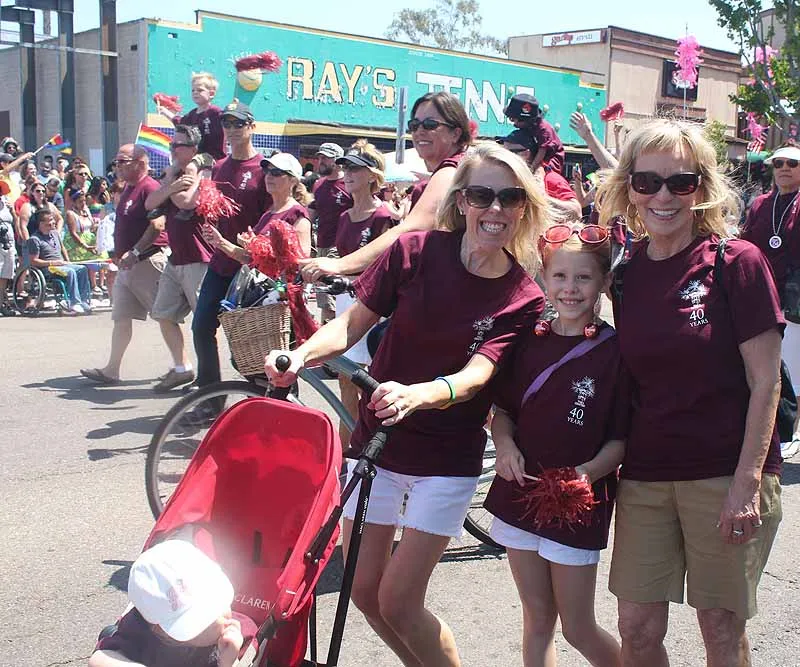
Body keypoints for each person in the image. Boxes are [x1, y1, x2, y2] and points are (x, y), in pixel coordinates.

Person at [264, 142, 548, 666]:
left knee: (398, 599)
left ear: (524, 208)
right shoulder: (414, 251)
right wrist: (300, 355)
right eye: (481, 195)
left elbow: (477, 375)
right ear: (460, 201)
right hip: (377, 444)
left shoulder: (523, 295)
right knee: (364, 592)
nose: (495, 209)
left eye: (510, 198)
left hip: (445, 459)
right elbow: (353, 323)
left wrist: (421, 394)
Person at [595, 119, 784, 667]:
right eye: (647, 181)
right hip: (646, 475)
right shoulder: (626, 272)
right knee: (636, 629)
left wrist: (747, 483)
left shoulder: (737, 261)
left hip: (725, 473)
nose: (663, 196)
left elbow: (766, 381)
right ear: (628, 187)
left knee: (720, 630)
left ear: (702, 187)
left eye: (680, 182)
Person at [486, 225, 625, 667]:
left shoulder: (616, 351)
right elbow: (504, 412)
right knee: (537, 617)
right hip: (520, 492)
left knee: (578, 627)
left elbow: (621, 439)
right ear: (544, 279)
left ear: (604, 282)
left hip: (578, 502)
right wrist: (504, 447)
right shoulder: (529, 339)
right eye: (560, 276)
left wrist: (587, 474)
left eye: (583, 278)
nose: (570, 288)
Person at [742, 78, 800, 461]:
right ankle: (762, 426)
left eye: (792, 163)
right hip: (763, 294)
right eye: (778, 162)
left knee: (792, 364)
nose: (784, 168)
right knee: (760, 365)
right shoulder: (760, 204)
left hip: (799, 295)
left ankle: (790, 431)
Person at [299, 91, 471, 280]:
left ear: (456, 133)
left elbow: (412, 229)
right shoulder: (453, 170)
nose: (419, 131)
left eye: (430, 124)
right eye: (414, 125)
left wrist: (340, 265)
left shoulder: (450, 171)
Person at [190, 100, 271, 391]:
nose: (232, 129)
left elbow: (273, 217)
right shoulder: (220, 166)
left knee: (251, 337)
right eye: (227, 124)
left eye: (239, 124)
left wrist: (257, 246)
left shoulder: (264, 169)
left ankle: (268, 393)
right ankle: (209, 394)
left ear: (252, 127)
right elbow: (212, 211)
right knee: (201, 326)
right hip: (221, 263)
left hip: (250, 268)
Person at [80, 145, 170, 385]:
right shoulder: (129, 188)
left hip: (147, 261)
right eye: (116, 162)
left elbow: (158, 225)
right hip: (126, 266)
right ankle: (112, 369)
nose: (117, 166)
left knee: (165, 316)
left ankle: (182, 366)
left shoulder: (150, 188)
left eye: (123, 161)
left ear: (140, 163)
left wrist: (136, 251)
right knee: (121, 317)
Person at [88, 539, 256, 667]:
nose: (221, 619)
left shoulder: (240, 635)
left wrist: (227, 662)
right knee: (110, 636)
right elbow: (98, 659)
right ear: (162, 631)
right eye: (204, 622)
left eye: (218, 604)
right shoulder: (139, 627)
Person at [326, 141, 393, 448]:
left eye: (355, 168)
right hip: (344, 299)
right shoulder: (344, 216)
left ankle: (372, 446)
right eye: (345, 167)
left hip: (373, 302)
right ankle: (346, 450)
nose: (347, 173)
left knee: (373, 382)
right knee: (345, 379)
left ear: (372, 175)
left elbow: (388, 266)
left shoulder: (383, 216)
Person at [146, 126, 215, 393]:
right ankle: (182, 368)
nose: (174, 150)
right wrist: (172, 182)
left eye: (179, 145)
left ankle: (209, 380)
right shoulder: (174, 175)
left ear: (194, 149)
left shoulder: (205, 172)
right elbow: (150, 203)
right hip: (176, 258)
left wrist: (171, 184)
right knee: (163, 313)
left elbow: (187, 202)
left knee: (203, 324)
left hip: (199, 257)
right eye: (172, 145)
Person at [201, 150, 311, 293]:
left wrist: (260, 248)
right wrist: (220, 242)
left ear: (293, 181)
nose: (269, 176)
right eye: (267, 171)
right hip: (260, 294)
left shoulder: (297, 215)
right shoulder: (268, 214)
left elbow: (300, 264)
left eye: (276, 173)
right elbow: (249, 258)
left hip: (280, 296)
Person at [502, 128, 582, 223]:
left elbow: (576, 212)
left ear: (526, 153)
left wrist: (540, 198)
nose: (503, 157)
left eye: (509, 152)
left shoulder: (550, 179)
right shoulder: (507, 178)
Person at [310, 142, 352, 324]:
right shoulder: (318, 185)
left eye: (326, 158)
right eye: (320, 157)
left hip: (340, 248)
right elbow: (312, 212)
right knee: (324, 298)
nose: (321, 161)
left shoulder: (348, 183)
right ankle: (325, 330)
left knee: (334, 297)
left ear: (337, 161)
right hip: (321, 245)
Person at [26, 208, 92, 314]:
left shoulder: (55, 234)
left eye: (53, 219)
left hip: (61, 265)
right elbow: (33, 261)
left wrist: (68, 261)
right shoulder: (34, 239)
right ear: (41, 223)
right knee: (70, 272)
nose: (53, 222)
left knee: (82, 269)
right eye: (50, 220)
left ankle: (83, 301)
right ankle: (74, 302)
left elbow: (62, 248)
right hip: (48, 268)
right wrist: (53, 263)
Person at [159, 72, 226, 159]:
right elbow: (179, 122)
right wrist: (165, 111)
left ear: (211, 94)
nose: (195, 93)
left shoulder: (215, 112)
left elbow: (227, 126)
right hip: (195, 157)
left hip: (214, 157)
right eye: (193, 90)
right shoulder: (191, 115)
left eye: (200, 90)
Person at [504, 93, 565, 176]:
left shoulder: (543, 129)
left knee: (539, 171)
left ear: (524, 120)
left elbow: (542, 152)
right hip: (534, 153)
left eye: (513, 119)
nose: (513, 123)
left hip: (550, 159)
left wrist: (532, 169)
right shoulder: (528, 126)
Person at [0, 180, 17, 316]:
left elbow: (15, 221)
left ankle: (2, 302)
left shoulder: (5, 202)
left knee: (6, 274)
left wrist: (12, 210)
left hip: (9, 242)